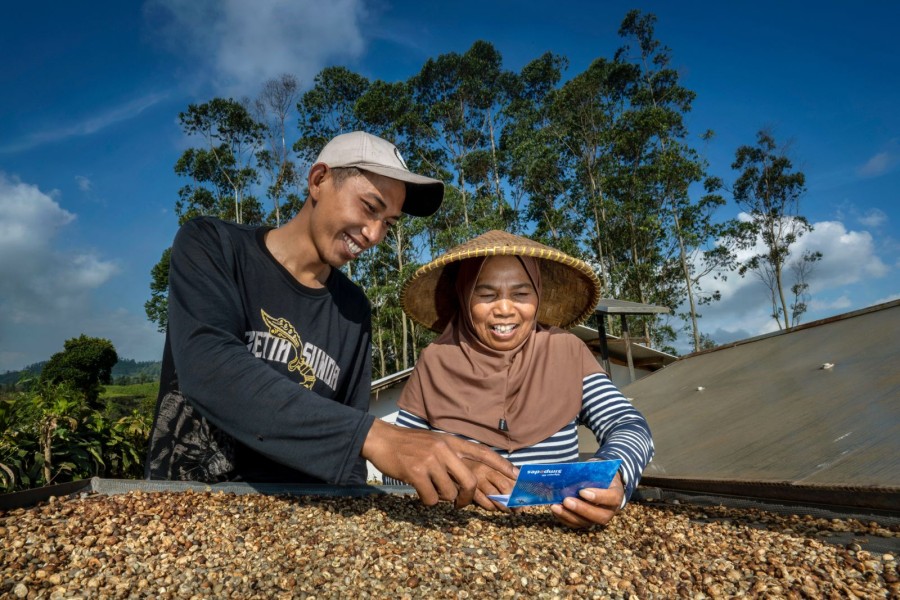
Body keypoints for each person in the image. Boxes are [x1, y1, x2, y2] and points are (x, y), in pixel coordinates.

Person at [145, 131, 515, 507]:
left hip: (293, 518)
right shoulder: (213, 245)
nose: (373, 235)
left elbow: (346, 441)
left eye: (388, 222)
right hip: (187, 504)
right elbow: (209, 367)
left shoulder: (353, 310)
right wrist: (377, 437)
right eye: (370, 207)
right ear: (318, 180)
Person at [391, 230, 655, 528]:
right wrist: (457, 470)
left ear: (537, 296)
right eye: (486, 294)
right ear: (464, 296)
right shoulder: (435, 360)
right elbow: (398, 458)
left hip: (558, 527)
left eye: (520, 294)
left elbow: (628, 424)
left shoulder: (565, 351)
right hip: (454, 530)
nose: (504, 309)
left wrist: (613, 475)